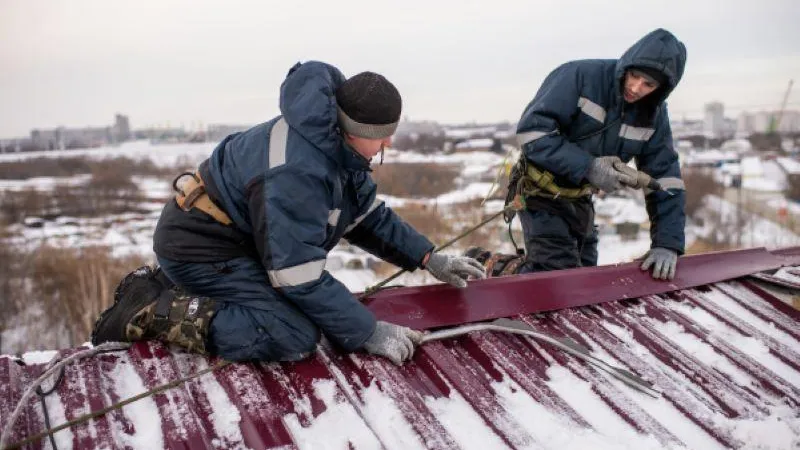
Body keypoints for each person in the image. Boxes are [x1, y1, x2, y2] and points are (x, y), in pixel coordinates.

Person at [92, 61, 485, 365]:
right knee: (292, 334)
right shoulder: (297, 171)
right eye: (383, 134)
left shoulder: (332, 144)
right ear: (357, 130)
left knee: (310, 313)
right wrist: (367, 332)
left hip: (241, 244)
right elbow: (297, 275)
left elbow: (366, 217)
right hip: (203, 250)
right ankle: (149, 307)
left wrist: (429, 257)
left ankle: (188, 289)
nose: (389, 141)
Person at [507, 28, 687, 280]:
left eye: (648, 84)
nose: (636, 88)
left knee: (586, 272)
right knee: (559, 276)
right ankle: (494, 269)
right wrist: (588, 167)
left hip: (580, 198)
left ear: (661, 89)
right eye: (634, 76)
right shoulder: (578, 77)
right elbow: (532, 133)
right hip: (540, 191)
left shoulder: (654, 117)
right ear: (628, 64)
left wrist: (668, 243)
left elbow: (666, 178)